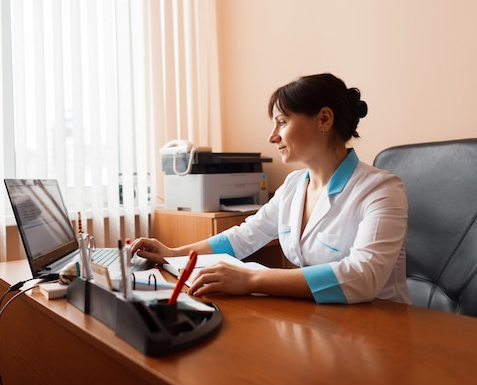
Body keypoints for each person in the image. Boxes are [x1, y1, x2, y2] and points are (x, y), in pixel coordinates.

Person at [131, 73, 410, 304]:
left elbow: (363, 277)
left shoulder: (380, 190)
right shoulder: (293, 186)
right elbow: (245, 237)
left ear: (324, 119)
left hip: (380, 327)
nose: (272, 136)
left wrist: (251, 279)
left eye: (282, 122)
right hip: (323, 321)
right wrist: (175, 253)